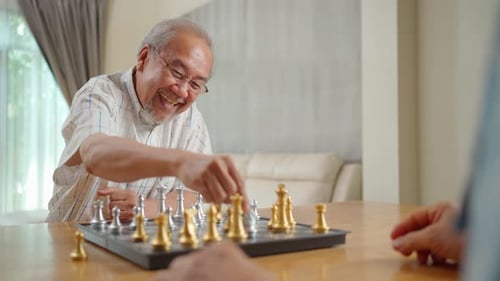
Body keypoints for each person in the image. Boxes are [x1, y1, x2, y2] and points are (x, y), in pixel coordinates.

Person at [46, 18, 247, 222]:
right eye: (177, 73)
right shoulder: (99, 92)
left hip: (136, 247)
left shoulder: (191, 117)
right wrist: (180, 162)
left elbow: (192, 194)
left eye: (195, 84)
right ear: (143, 58)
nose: (183, 91)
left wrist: (144, 208)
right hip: (71, 238)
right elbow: (95, 153)